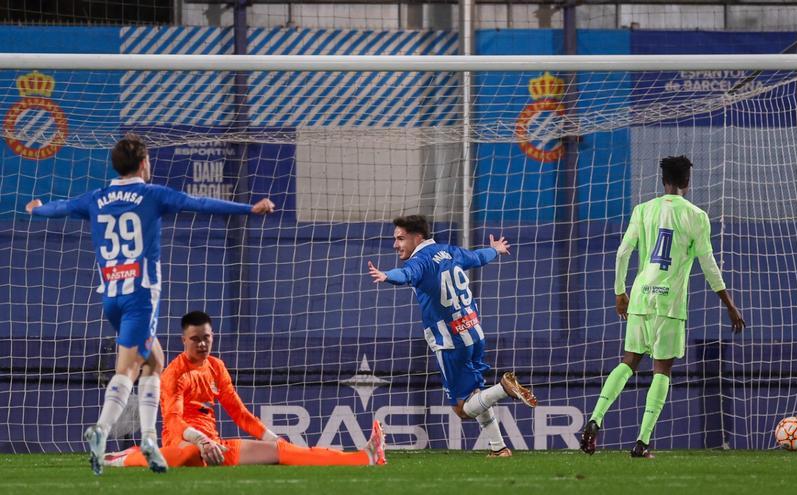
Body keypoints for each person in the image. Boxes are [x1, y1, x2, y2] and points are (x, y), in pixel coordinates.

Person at [25, 134, 276, 474]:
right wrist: (249, 208)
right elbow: (200, 203)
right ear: (144, 164)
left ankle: (147, 439)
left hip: (111, 295)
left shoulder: (96, 197)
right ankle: (100, 430)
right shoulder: (151, 194)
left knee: (154, 360)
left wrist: (38, 211)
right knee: (128, 367)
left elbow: (61, 207)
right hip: (140, 297)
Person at [580, 155, 745, 458]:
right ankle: (642, 442)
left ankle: (594, 419)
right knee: (662, 370)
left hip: (641, 296)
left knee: (628, 362)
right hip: (669, 303)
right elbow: (709, 266)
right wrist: (729, 304)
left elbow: (622, 253)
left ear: (663, 181)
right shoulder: (696, 216)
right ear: (687, 182)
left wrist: (620, 293)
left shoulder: (643, 210)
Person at [103, 310, 385, 468]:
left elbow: (239, 412)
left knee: (282, 453)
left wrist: (274, 438)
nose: (202, 344)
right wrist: (200, 441)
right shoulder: (174, 372)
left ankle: (365, 456)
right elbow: (174, 421)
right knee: (187, 455)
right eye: (195, 339)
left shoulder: (216, 367)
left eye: (207, 338)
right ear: (183, 340)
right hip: (185, 445)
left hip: (216, 448)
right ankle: (130, 456)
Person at [367, 215, 537, 457]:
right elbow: (478, 257)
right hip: (474, 333)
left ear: (418, 237)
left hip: (450, 342)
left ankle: (503, 388)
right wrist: (495, 250)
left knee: (462, 409)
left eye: (400, 238)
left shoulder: (420, 261)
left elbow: (406, 274)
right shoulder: (449, 251)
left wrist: (387, 275)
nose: (395, 244)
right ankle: (498, 448)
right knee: (477, 393)